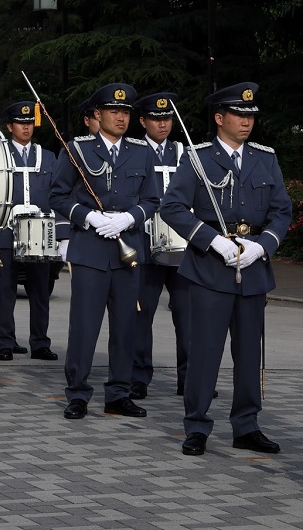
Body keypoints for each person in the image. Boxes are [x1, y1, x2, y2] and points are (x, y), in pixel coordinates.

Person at [160, 82, 291, 456]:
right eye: (239, 115)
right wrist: (211, 240)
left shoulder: (265, 158)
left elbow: (281, 210)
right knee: (205, 351)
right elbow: (172, 207)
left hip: (251, 267)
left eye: (251, 115)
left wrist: (262, 246)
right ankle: (197, 425)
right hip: (209, 269)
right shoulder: (198, 157)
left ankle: (246, 425)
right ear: (220, 118)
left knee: (249, 353)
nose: (247, 122)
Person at [50, 83, 159, 420]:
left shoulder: (142, 152)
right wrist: (88, 217)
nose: (121, 117)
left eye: (126, 112)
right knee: (84, 326)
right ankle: (78, 393)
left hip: (128, 250)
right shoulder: (78, 149)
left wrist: (129, 217)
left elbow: (153, 200)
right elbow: (57, 196)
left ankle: (119, 393)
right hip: (90, 250)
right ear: (97, 114)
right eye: (114, 111)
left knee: (127, 325)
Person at [0, 101, 64, 362]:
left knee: (40, 289)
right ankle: (4, 342)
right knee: (4, 288)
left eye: (30, 122)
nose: (26, 127)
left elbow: (58, 193)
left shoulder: (49, 157)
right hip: (6, 231)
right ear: (10, 126)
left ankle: (40, 342)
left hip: (40, 233)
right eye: (21, 123)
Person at [131, 91, 191, 400]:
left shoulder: (185, 152)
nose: (163, 124)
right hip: (145, 241)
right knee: (142, 312)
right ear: (143, 121)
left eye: (167, 118)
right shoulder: (134, 151)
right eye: (156, 118)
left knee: (187, 312)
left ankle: (189, 377)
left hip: (181, 244)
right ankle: (138, 376)